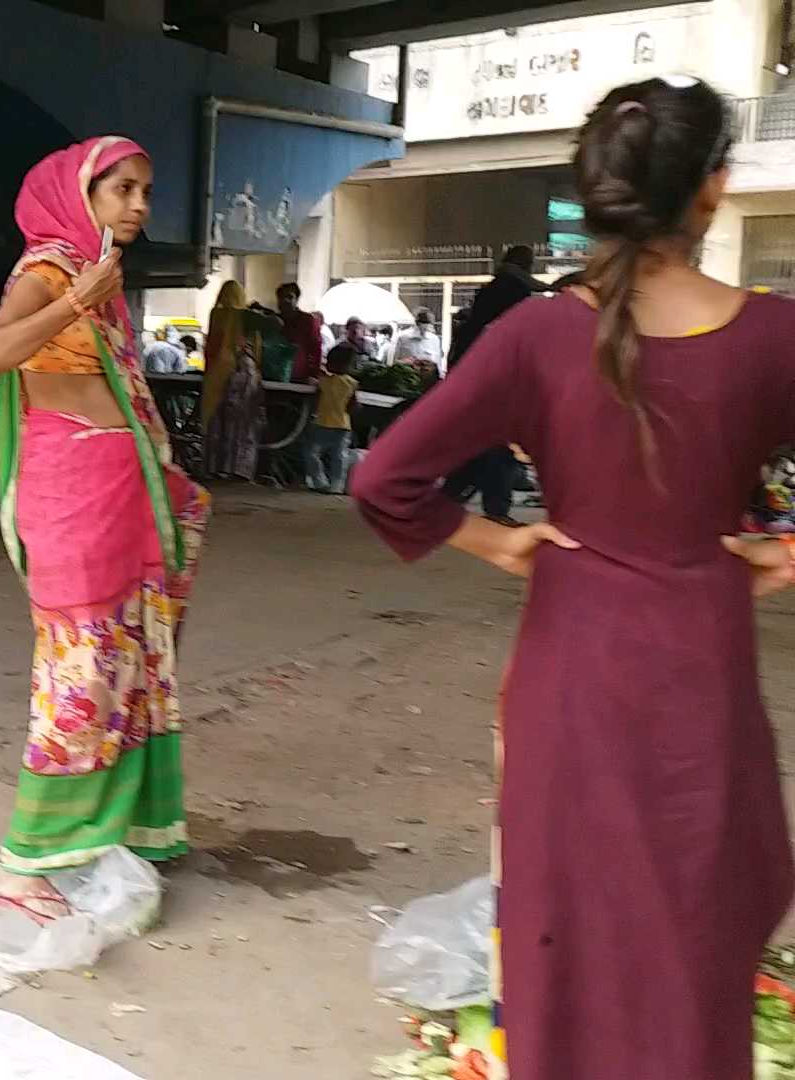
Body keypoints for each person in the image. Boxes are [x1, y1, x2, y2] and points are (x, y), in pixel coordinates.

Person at [352, 77, 795, 1080]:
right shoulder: (774, 339)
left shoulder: (535, 336)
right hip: (701, 684)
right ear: (713, 192)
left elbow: (384, 478)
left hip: (570, 676)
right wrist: (786, 550)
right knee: (692, 941)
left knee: (567, 942)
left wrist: (496, 541)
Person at [0, 135, 210, 923]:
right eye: (124, 190)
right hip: (71, 490)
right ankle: (25, 863)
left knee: (130, 668)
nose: (140, 205)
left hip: (116, 487)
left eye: (146, 189)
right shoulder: (51, 270)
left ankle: (123, 829)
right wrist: (76, 298)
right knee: (80, 678)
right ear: (82, 195)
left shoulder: (99, 273)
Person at [442, 246, 552, 524]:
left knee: (479, 445)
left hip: (475, 379)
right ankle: (492, 506)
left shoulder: (491, 291)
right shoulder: (514, 293)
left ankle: (451, 497)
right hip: (495, 382)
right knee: (497, 448)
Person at [202, 280, 263, 480]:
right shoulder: (246, 317)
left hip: (216, 374)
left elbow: (211, 346)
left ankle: (214, 467)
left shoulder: (216, 314)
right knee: (240, 423)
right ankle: (237, 470)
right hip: (242, 372)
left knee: (216, 422)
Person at [301, 344, 358, 495]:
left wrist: (311, 416)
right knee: (339, 457)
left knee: (311, 453)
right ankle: (337, 485)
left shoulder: (323, 381)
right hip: (343, 425)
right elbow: (353, 407)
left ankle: (320, 481)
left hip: (322, 423)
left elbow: (315, 401)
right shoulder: (352, 384)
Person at [274, 282, 323, 382]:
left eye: (290, 297)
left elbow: (316, 349)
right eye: (282, 297)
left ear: (296, 299)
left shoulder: (308, 321)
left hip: (300, 376)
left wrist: (313, 374)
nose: (285, 300)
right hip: (275, 374)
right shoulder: (273, 321)